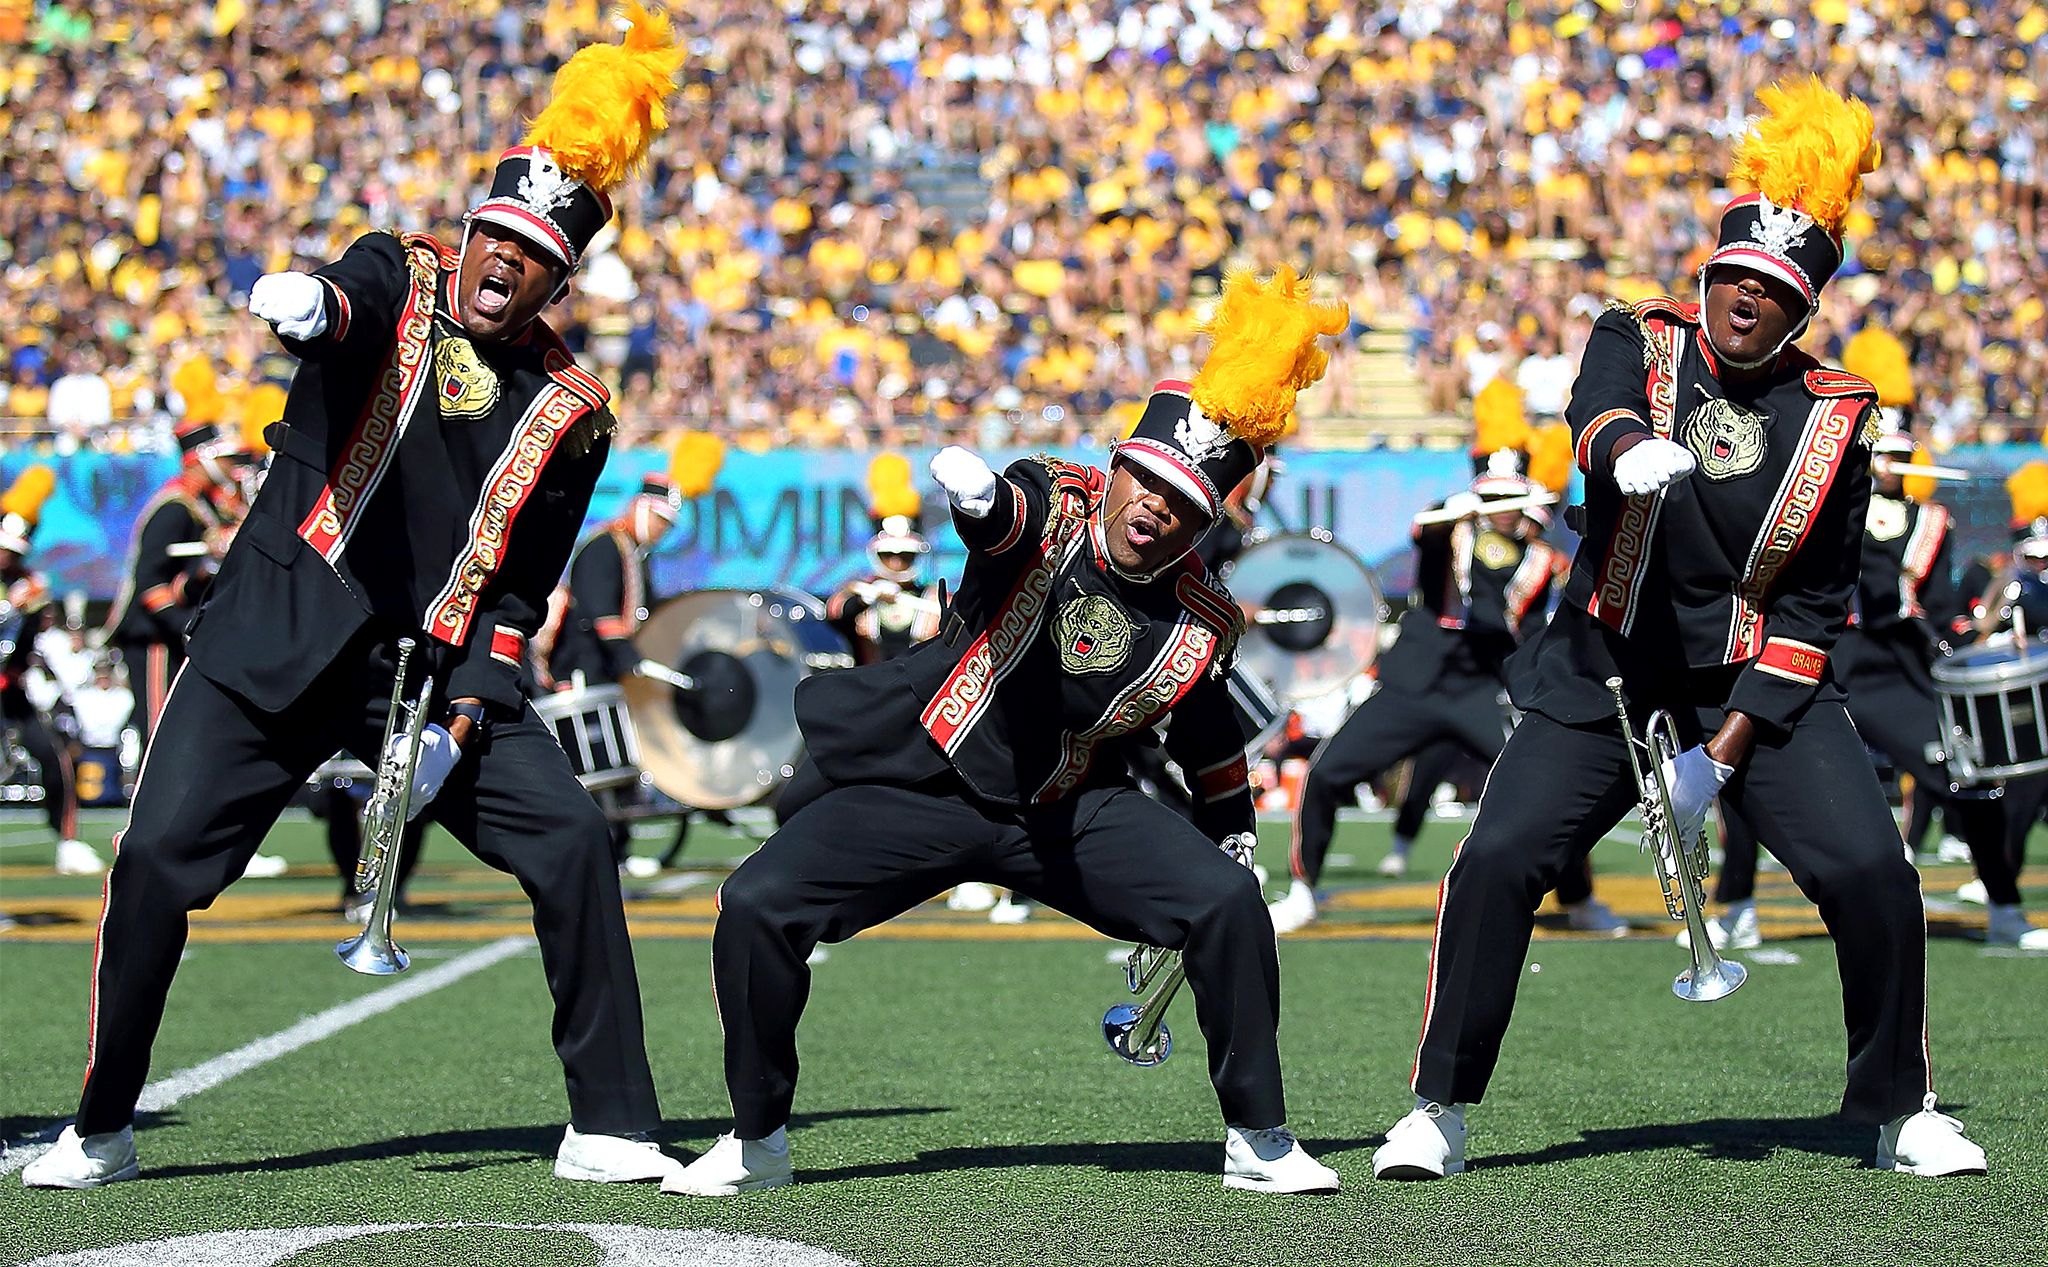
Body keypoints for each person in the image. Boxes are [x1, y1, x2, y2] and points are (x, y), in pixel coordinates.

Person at [24, 9, 686, 1190]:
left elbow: (518, 592)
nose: (504, 262)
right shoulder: (402, 266)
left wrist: (461, 724)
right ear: (471, 229)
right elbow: (349, 302)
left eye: (534, 256)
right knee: (158, 864)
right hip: (276, 638)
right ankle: (102, 1121)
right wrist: (309, 307)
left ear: (555, 281)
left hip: (419, 680)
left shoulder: (574, 409)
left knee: (574, 838)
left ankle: (614, 1124)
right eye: (497, 236)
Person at [1370, 81, 1985, 1182]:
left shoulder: (1837, 415)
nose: (1745, 299)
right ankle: (1437, 1107)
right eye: (1732, 277)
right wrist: (1616, 453)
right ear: (1705, 278)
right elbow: (1591, 409)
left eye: (1774, 290)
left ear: (1801, 313)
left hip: (1749, 686)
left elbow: (1813, 604)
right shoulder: (1636, 335)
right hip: (1603, 665)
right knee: (1498, 857)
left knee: (1871, 871)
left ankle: (1903, 1107)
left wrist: (1720, 758)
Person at [668, 268, 1349, 1198]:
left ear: (1202, 524)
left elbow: (1205, 727)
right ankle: (757, 1138)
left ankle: (1259, 1136)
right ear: (1116, 472)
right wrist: (979, 501)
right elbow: (1005, 526)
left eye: (1182, 502)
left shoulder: (1203, 614)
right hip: (928, 780)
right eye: (1146, 481)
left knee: (1229, 902)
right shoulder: (1053, 499)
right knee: (754, 904)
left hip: (1067, 809)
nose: (1154, 506)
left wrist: (1231, 827)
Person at [1694, 431, 2041, 950]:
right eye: (1878, 454)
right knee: (1747, 772)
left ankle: (2005, 908)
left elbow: (1939, 605)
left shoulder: (1931, 521)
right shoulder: (1820, 503)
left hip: (1891, 665)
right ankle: (1738, 908)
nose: (1886, 465)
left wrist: (1970, 635)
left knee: (1963, 773)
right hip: (1816, 658)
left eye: (1897, 456)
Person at [1271, 461, 1610, 932]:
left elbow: (1520, 627)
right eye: (1491, 500)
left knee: (1547, 787)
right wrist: (1455, 512)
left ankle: (1579, 899)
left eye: (1507, 502)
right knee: (1326, 772)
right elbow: (1425, 533)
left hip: (1479, 692)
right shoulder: (1450, 534)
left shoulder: (1540, 560)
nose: (1501, 512)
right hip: (1412, 687)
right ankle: (1303, 890)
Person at [102, 420, 248, 740]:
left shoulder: (206, 506)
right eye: (225, 458)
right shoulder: (174, 509)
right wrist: (185, 624)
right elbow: (150, 584)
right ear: (201, 459)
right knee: (159, 731)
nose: (232, 467)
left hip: (173, 636)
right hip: (156, 637)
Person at [0, 467, 95, 876]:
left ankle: (68, 840)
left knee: (54, 758)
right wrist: (10, 609)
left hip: (11, 690)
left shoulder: (27, 582)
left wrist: (33, 609)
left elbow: (28, 642)